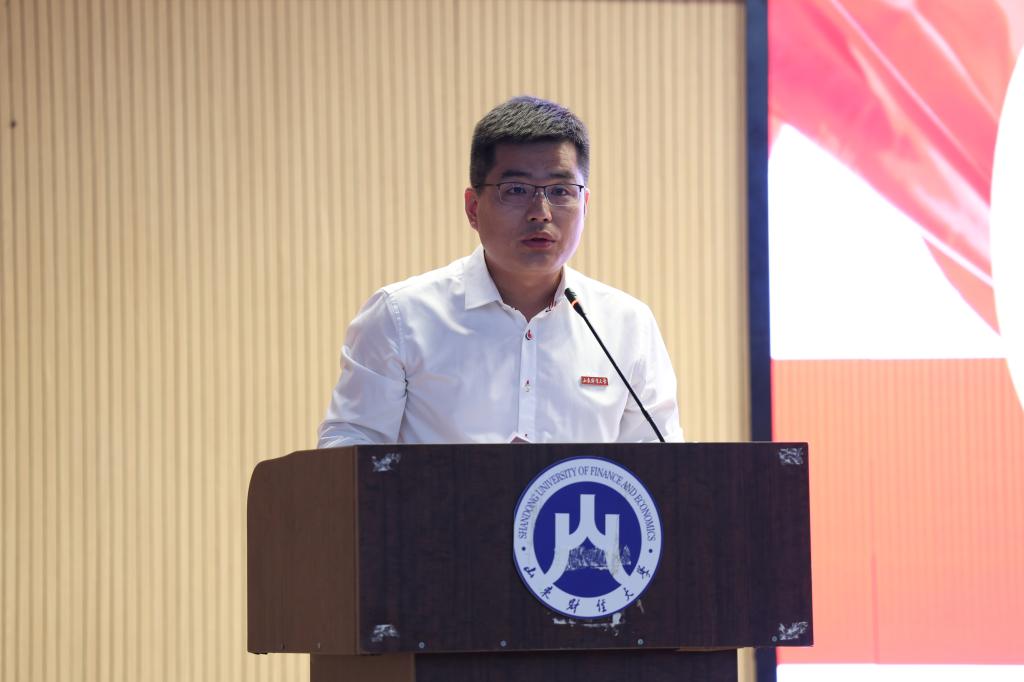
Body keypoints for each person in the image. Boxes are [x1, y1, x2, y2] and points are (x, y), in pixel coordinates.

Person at [318, 96, 682, 446]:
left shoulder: (627, 325)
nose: (540, 212)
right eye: (517, 189)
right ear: (473, 207)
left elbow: (663, 466)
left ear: (584, 204)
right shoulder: (400, 317)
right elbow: (347, 452)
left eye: (560, 190)